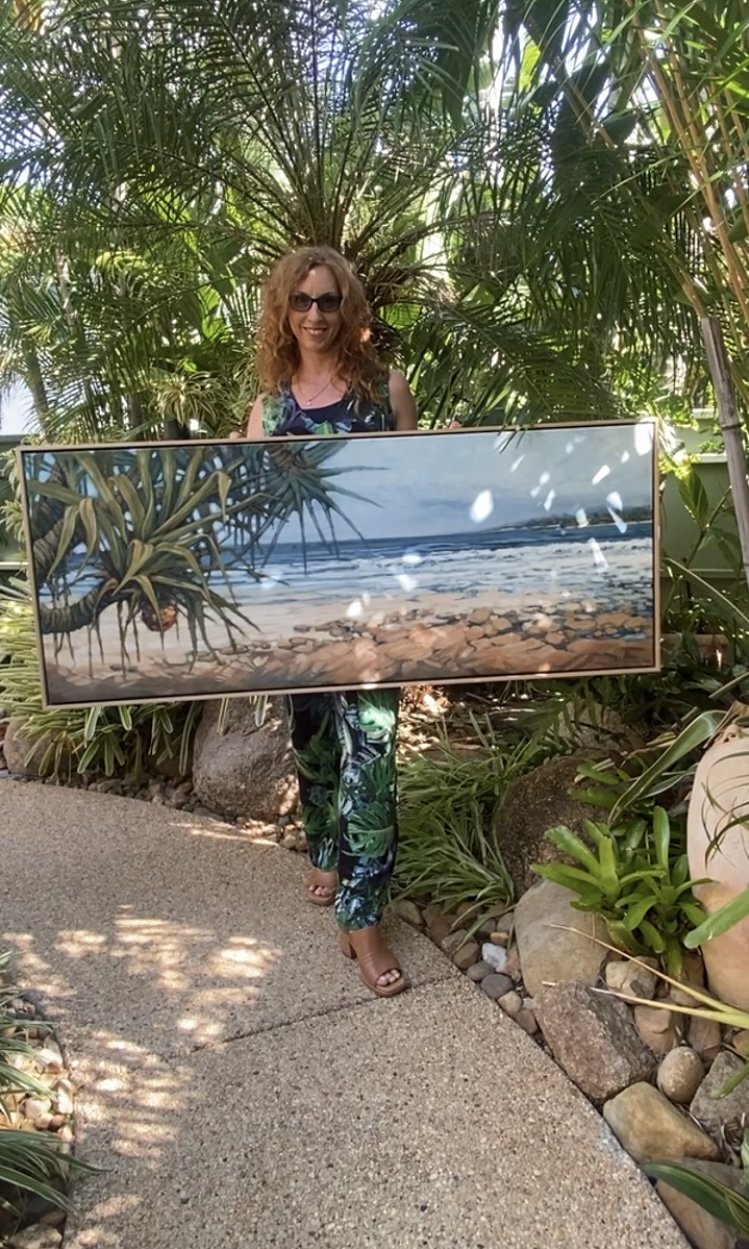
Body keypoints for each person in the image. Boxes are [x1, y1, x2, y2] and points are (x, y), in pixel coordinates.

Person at [242, 245, 418, 998]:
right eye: (301, 302)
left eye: (328, 301)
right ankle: (321, 844)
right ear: (283, 311)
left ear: (349, 308)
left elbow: (416, 495)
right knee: (312, 744)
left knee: (371, 756)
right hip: (299, 610)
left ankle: (363, 911)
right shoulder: (270, 407)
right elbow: (249, 518)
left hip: (373, 611)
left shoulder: (385, 390)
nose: (315, 314)